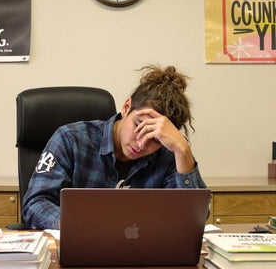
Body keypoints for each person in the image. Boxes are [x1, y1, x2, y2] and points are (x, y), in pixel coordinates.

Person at [22, 65, 207, 229]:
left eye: (155, 139)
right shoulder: (70, 139)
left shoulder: (168, 154)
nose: (142, 144)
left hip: (142, 256)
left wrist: (183, 151)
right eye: (138, 126)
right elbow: (35, 203)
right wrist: (76, 226)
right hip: (81, 249)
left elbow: (194, 219)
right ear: (126, 107)